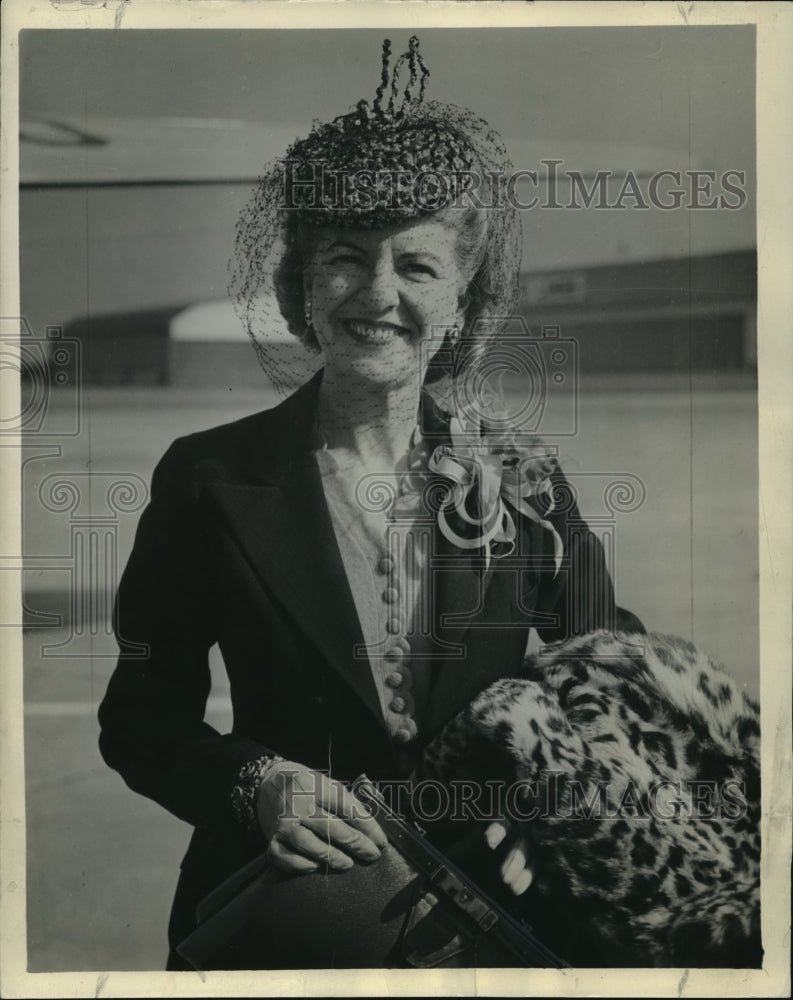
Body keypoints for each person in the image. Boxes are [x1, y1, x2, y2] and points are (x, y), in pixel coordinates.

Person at [98, 37, 638, 970]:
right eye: (345, 259)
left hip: (493, 912)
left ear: (465, 302)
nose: (377, 294)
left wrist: (554, 802)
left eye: (417, 267)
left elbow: (613, 676)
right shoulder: (207, 478)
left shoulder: (528, 481)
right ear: (300, 287)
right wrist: (255, 784)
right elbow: (142, 715)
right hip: (286, 907)